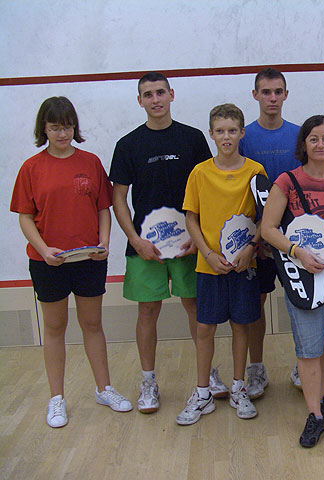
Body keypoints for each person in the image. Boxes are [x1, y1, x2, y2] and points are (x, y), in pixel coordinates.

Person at [10, 96, 132, 428]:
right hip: (48, 262)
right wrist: (44, 248)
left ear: (74, 127)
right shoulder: (31, 168)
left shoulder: (91, 162)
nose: (62, 134)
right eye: (55, 127)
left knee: (92, 325)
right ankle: (56, 399)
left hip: (89, 259)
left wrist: (104, 242)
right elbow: (24, 217)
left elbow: (103, 209)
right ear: (43, 129)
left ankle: (104, 389)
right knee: (55, 328)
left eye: (67, 127)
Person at [109, 72, 218, 415]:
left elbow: (206, 189)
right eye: (147, 94)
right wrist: (135, 239)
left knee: (195, 309)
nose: (155, 99)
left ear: (171, 94)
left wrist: (198, 238)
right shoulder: (127, 145)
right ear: (139, 101)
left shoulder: (192, 138)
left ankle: (207, 375)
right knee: (147, 312)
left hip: (188, 244)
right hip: (146, 247)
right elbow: (118, 199)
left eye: (160, 92)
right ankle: (148, 381)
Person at [262, 115, 324, 448]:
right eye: (314, 138)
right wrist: (298, 253)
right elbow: (268, 229)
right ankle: (314, 414)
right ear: (303, 144)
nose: (321, 144)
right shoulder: (287, 181)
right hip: (303, 273)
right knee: (308, 345)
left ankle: (322, 398)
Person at [176, 104, 265, 424]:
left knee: (242, 325)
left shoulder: (256, 171)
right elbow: (191, 218)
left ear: (242, 133)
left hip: (244, 265)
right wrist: (208, 254)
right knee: (204, 327)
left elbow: (263, 218)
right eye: (220, 131)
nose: (226, 136)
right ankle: (202, 392)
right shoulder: (200, 172)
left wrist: (251, 250)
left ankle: (239, 387)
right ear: (211, 134)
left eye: (232, 130)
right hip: (208, 266)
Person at [239, 67, 300, 398]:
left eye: (278, 91)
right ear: (255, 95)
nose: (272, 98)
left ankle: (302, 363)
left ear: (286, 95)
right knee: (255, 304)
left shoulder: (300, 134)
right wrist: (255, 238)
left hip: (293, 239)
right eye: (266, 92)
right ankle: (257, 368)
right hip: (256, 242)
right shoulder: (244, 137)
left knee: (301, 302)